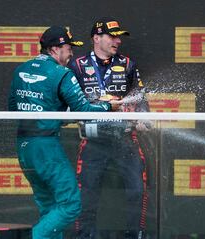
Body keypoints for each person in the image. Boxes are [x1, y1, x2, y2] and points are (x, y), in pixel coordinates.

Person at [8, 26, 121, 239]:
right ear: (55, 49)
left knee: (49, 207)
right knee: (70, 205)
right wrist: (109, 107)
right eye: (69, 48)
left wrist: (53, 113)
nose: (71, 54)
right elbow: (85, 111)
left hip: (24, 148)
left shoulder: (20, 69)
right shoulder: (61, 73)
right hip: (46, 147)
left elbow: (13, 109)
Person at [68, 17, 150, 239]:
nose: (118, 41)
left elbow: (140, 97)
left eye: (119, 37)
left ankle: (135, 236)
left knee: (136, 191)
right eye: (112, 36)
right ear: (96, 38)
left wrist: (144, 118)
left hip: (125, 139)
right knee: (86, 195)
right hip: (93, 141)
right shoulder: (77, 66)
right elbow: (66, 102)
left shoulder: (128, 64)